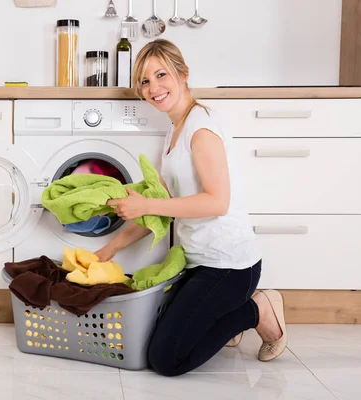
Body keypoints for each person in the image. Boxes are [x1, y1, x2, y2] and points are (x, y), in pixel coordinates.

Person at [94, 39, 288, 377]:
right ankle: (229, 318)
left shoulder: (201, 128)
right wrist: (109, 249)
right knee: (152, 334)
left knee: (166, 359)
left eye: (161, 75)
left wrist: (147, 202)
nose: (153, 87)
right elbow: (161, 211)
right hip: (198, 262)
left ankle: (257, 308)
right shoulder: (172, 133)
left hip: (230, 266)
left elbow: (217, 201)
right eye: (144, 81)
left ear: (183, 74)